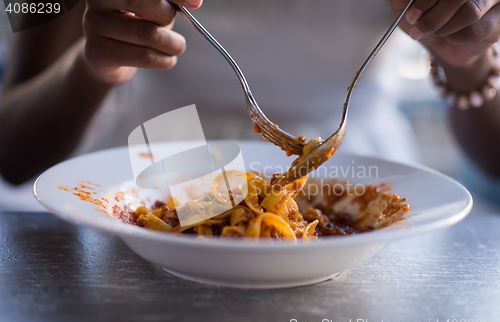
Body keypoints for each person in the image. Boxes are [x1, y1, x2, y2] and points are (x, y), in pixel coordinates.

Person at [0, 0, 499, 210]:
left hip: (367, 179)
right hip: (159, 166)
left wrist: (468, 61)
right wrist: (94, 67)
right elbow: (14, 155)